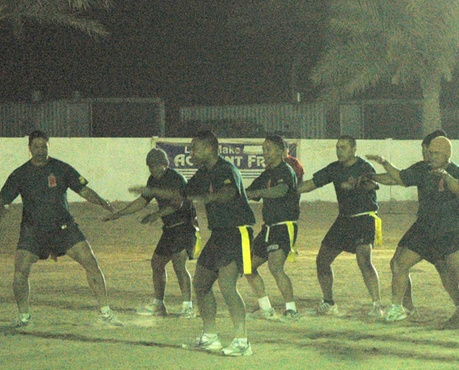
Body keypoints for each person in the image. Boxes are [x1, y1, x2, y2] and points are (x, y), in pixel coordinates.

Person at [138, 130, 255, 356]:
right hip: (219, 234)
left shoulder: (225, 169)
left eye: (195, 148)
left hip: (236, 232)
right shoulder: (202, 173)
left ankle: (242, 342)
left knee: (228, 286)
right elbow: (182, 194)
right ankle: (210, 337)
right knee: (201, 284)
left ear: (210, 148)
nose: (191, 152)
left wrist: (207, 197)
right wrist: (154, 191)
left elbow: (230, 192)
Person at [0, 130, 122, 328]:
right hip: (33, 231)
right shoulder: (19, 174)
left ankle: (106, 312)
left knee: (91, 263)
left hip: (64, 228)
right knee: (20, 272)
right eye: (36, 146)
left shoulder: (61, 168)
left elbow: (84, 190)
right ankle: (23, 317)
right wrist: (1, 208)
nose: (40, 150)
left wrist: (102, 202)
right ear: (29, 148)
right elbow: (3, 199)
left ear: (48, 146)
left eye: (44, 146)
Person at [367, 136, 459, 329]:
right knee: (399, 263)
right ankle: (398, 307)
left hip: (450, 230)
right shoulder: (423, 169)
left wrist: (445, 175)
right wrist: (383, 163)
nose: (431, 156)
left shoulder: (457, 171)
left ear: (447, 154)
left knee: (457, 273)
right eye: (430, 152)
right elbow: (399, 177)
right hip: (426, 229)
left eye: (436, 153)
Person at [105, 148, 197, 319]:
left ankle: (187, 307)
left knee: (179, 265)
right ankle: (159, 305)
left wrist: (156, 214)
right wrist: (119, 214)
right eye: (150, 167)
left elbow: (178, 202)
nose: (153, 170)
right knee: (157, 263)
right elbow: (142, 201)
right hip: (170, 229)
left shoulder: (176, 179)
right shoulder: (152, 180)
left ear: (165, 165)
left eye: (156, 166)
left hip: (185, 227)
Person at [298, 136, 384, 316]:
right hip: (344, 220)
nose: (339, 151)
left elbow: (373, 185)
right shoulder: (334, 168)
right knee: (322, 260)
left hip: (363, 218)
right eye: (337, 147)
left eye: (343, 147)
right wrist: (290, 191)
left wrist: (356, 185)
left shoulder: (364, 167)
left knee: (364, 260)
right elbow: (312, 184)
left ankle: (377, 305)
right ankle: (329, 303)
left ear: (354, 149)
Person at [244, 134, 301, 320]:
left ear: (280, 151)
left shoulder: (286, 171)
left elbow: (280, 191)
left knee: (275, 267)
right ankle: (266, 307)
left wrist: (256, 192)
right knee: (248, 267)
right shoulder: (267, 174)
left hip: (284, 227)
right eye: (263, 150)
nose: (264, 153)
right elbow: (249, 193)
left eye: (268, 149)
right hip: (268, 229)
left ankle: (291, 309)